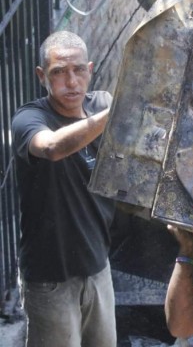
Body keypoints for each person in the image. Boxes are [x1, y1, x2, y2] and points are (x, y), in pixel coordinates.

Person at [11, 30, 116, 347]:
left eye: (78, 70)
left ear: (90, 69)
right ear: (42, 76)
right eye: (59, 72)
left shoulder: (102, 104)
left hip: (98, 268)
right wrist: (116, 113)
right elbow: (53, 147)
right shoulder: (30, 118)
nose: (71, 82)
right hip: (50, 280)